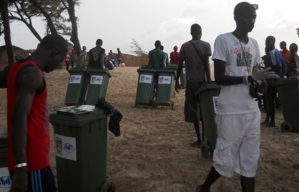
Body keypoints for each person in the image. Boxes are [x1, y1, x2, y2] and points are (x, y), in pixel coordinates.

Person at [196, 3, 278, 192]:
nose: (251, 21)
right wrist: (248, 78)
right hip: (231, 110)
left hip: (251, 110)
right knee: (225, 157)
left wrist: (261, 85)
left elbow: (257, 75)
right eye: (247, 17)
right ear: (236, 17)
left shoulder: (255, 44)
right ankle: (205, 187)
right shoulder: (223, 40)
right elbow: (220, 77)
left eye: (254, 17)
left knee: (249, 162)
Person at [6, 34, 68, 192]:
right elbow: (18, 117)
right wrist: (21, 167)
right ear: (54, 53)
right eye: (60, 60)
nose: (58, 66)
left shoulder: (16, 68)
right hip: (32, 164)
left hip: (31, 162)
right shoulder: (33, 74)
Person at [175, 24, 211, 148]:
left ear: (191, 32)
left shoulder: (185, 46)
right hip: (203, 83)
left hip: (191, 83)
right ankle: (205, 136)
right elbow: (206, 65)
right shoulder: (206, 45)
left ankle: (199, 139)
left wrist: (176, 81)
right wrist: (209, 81)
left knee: (194, 109)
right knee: (205, 110)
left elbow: (180, 66)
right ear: (201, 32)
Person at [261, 36, 285, 127]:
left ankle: (271, 121)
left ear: (272, 42)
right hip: (274, 80)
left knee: (270, 100)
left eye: (267, 42)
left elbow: (279, 66)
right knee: (270, 99)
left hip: (272, 80)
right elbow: (284, 65)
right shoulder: (277, 52)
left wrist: (275, 78)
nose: (266, 44)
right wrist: (281, 77)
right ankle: (268, 119)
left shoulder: (272, 53)